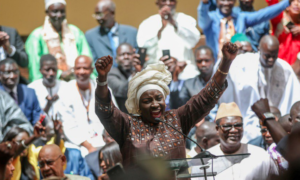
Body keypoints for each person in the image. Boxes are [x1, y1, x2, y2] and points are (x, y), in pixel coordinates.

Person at [94, 42, 237, 167]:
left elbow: (206, 98)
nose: (155, 104)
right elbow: (105, 110)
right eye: (147, 101)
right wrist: (102, 79)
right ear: (138, 105)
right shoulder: (127, 125)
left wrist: (226, 62)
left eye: (158, 98)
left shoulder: (176, 119)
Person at [217, 35, 300, 143]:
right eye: (267, 56)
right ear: (259, 50)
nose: (271, 60)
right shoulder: (242, 64)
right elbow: (221, 73)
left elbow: (294, 98)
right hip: (248, 125)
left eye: (274, 56)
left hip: (276, 125)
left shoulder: (284, 68)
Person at [195, 102, 278, 180]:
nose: (234, 130)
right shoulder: (204, 161)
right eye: (227, 126)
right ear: (217, 129)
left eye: (238, 125)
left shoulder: (260, 155)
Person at [25, 0, 92, 82]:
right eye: (55, 11)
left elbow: (87, 58)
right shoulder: (37, 36)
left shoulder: (75, 32)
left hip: (77, 80)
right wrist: (60, 74)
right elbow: (35, 68)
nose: (59, 15)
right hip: (50, 83)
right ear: (47, 12)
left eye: (62, 11)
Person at [198, 0, 290, 59]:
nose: (226, 3)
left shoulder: (240, 18)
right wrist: (204, 3)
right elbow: (202, 20)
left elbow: (264, 14)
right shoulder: (210, 19)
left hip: (238, 66)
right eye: (222, 0)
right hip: (215, 68)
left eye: (229, 0)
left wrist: (287, 2)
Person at [137, 0, 200, 80]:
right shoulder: (147, 23)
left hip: (185, 73)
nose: (168, 3)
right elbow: (142, 45)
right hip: (157, 75)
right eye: (164, 1)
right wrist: (161, 28)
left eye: (171, 0)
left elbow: (194, 41)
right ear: (157, 3)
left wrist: (174, 23)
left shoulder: (186, 19)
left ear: (176, 2)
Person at [85, 0, 138, 66]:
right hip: (105, 75)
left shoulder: (131, 32)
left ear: (112, 13)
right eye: (96, 14)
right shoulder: (90, 36)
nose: (98, 18)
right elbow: (93, 62)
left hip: (130, 74)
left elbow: (136, 58)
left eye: (101, 14)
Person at [0, 58, 43, 125]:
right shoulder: (1, 95)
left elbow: (38, 115)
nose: (12, 76)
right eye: (7, 73)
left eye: (15, 72)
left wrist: (38, 125)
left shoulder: (29, 92)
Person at [179, 45, 217, 121]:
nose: (203, 64)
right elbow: (179, 106)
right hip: (198, 126)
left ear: (213, 60)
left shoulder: (222, 82)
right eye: (199, 61)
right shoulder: (189, 84)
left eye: (206, 60)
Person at [108, 43, 142, 112]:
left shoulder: (141, 71)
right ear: (116, 59)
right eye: (122, 54)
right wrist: (135, 74)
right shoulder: (111, 74)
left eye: (129, 54)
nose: (126, 57)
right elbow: (121, 91)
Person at [266, 0, 300, 65]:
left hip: (296, 70)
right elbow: (273, 5)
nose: (296, 3)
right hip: (277, 65)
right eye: (292, 1)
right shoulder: (279, 18)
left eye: (299, 1)